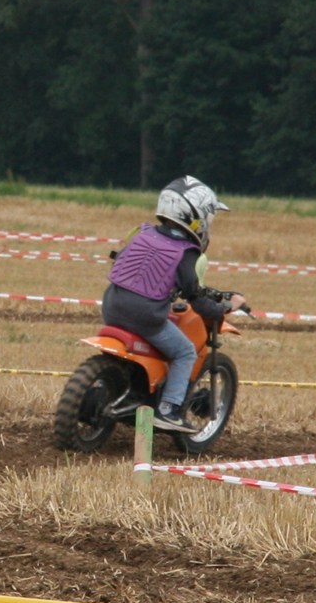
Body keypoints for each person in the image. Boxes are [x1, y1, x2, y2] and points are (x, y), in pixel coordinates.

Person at [102, 176, 247, 432]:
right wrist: (222, 309)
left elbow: (125, 262)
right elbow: (195, 297)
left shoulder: (143, 233)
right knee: (185, 352)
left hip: (112, 305)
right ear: (196, 216)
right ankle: (169, 410)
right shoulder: (186, 251)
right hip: (146, 315)